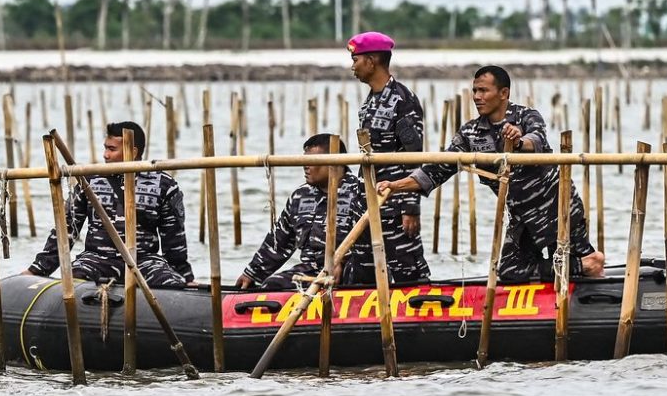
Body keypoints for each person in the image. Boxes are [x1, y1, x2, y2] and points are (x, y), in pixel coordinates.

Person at [376, 65, 605, 281]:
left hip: (557, 206)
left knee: (567, 256)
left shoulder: (526, 116)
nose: (477, 96)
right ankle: (584, 265)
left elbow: (536, 140)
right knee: (510, 271)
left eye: (484, 90)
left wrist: (517, 141)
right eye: (475, 90)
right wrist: (394, 186)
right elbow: (434, 170)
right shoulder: (470, 133)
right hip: (522, 216)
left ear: (503, 93)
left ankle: (589, 270)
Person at [26, 121, 194, 287]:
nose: (105, 155)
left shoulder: (164, 185)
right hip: (95, 260)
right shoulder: (89, 180)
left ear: (132, 152)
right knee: (72, 281)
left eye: (112, 149)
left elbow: (174, 239)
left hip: (144, 262)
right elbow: (66, 230)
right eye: (105, 148)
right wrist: (37, 270)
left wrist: (185, 278)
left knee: (172, 285)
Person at [235, 134, 371, 290]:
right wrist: (252, 273)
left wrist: (341, 261)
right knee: (272, 285)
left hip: (351, 270)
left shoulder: (359, 193)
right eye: (304, 161)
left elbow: (369, 241)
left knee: (357, 274)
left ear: (336, 163)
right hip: (311, 270)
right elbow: (279, 241)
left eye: (312, 162)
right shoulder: (300, 196)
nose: (305, 166)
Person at [349, 31, 431, 284]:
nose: (353, 67)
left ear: (371, 61)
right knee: (364, 271)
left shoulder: (402, 100)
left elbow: (413, 156)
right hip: (368, 201)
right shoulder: (370, 102)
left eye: (356, 60)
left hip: (394, 204)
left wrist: (410, 207)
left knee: (408, 272)